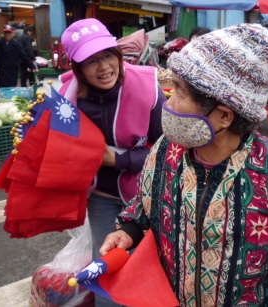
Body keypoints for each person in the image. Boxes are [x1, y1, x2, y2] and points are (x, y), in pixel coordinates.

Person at [100, 24, 268, 306]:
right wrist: (128, 232)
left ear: (224, 116)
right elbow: (145, 208)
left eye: (179, 91)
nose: (169, 98)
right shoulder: (165, 152)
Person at [59, 18, 165, 307]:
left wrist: (116, 158)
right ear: (77, 68)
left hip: (147, 197)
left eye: (108, 55)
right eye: (91, 61)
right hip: (102, 197)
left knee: (153, 268)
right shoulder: (67, 99)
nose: (104, 67)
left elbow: (167, 151)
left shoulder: (149, 87)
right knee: (106, 268)